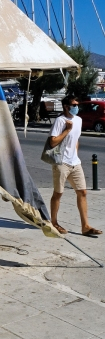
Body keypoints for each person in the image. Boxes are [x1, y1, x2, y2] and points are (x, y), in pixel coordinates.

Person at [49, 94, 102, 236]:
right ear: (66, 107)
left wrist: (75, 154)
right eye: (74, 105)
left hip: (74, 162)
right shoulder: (60, 121)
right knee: (58, 194)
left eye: (77, 105)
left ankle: (85, 226)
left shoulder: (78, 120)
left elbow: (76, 140)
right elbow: (52, 142)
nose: (76, 107)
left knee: (82, 192)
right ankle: (53, 222)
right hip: (61, 163)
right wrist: (66, 130)